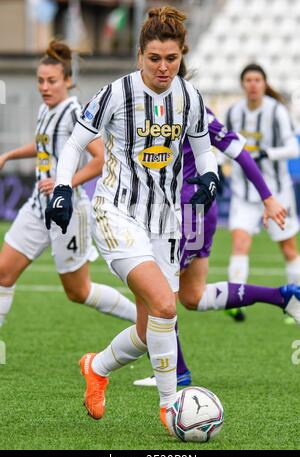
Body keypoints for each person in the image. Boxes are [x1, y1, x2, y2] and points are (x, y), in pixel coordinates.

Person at [45, 6, 221, 432]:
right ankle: (171, 407)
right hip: (116, 212)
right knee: (165, 306)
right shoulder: (114, 94)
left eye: (172, 58)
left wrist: (211, 177)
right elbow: (74, 145)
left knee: (149, 331)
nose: (163, 67)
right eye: (154, 58)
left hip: (166, 220)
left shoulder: (189, 96)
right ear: (139, 55)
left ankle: (97, 366)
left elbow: (201, 147)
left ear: (182, 56)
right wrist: (65, 187)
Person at [134, 106, 300, 388]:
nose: (160, 68)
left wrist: (268, 198)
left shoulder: (189, 108)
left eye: (168, 60)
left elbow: (239, 151)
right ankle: (283, 296)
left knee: (158, 294)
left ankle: (178, 372)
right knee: (193, 296)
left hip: (186, 212)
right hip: (188, 212)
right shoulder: (150, 106)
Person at [0, 40, 137, 329]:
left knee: (79, 291)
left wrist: (66, 183)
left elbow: (101, 159)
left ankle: (143, 321)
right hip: (38, 207)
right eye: (40, 81)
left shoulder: (76, 112)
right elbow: (44, 146)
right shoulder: (45, 110)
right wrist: (9, 155)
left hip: (68, 211)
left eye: (52, 81)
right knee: (3, 273)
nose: (44, 87)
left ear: (68, 81)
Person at [226, 63, 300, 320]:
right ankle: (236, 302)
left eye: (258, 79)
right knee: (239, 243)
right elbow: (225, 147)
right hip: (244, 194)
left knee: (289, 249)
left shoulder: (276, 111)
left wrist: (267, 153)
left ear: (264, 83)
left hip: (277, 195)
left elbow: (294, 148)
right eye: (248, 80)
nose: (253, 84)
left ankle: (296, 305)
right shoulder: (234, 112)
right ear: (242, 84)